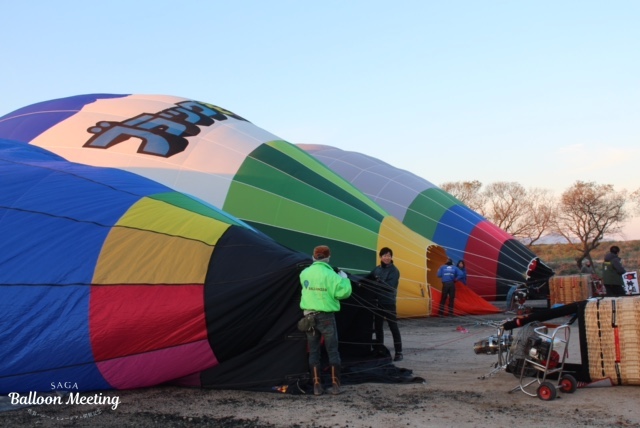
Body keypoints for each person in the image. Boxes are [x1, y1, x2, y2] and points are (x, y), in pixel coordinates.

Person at [299, 245, 352, 396]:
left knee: (314, 351)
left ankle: (317, 385)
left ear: (313, 256)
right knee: (332, 350)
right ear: (328, 257)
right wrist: (344, 279)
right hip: (326, 317)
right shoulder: (331, 275)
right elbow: (343, 293)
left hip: (309, 317)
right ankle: (335, 386)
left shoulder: (304, 273)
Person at [369, 247, 403, 362]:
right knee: (378, 327)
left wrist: (378, 282)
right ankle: (379, 349)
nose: (387, 258)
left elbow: (390, 286)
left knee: (393, 327)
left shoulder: (394, 271)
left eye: (389, 255)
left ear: (391, 257)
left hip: (388, 302)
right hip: (378, 302)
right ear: (380, 257)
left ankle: (399, 352)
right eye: (384, 256)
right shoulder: (377, 269)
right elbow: (368, 279)